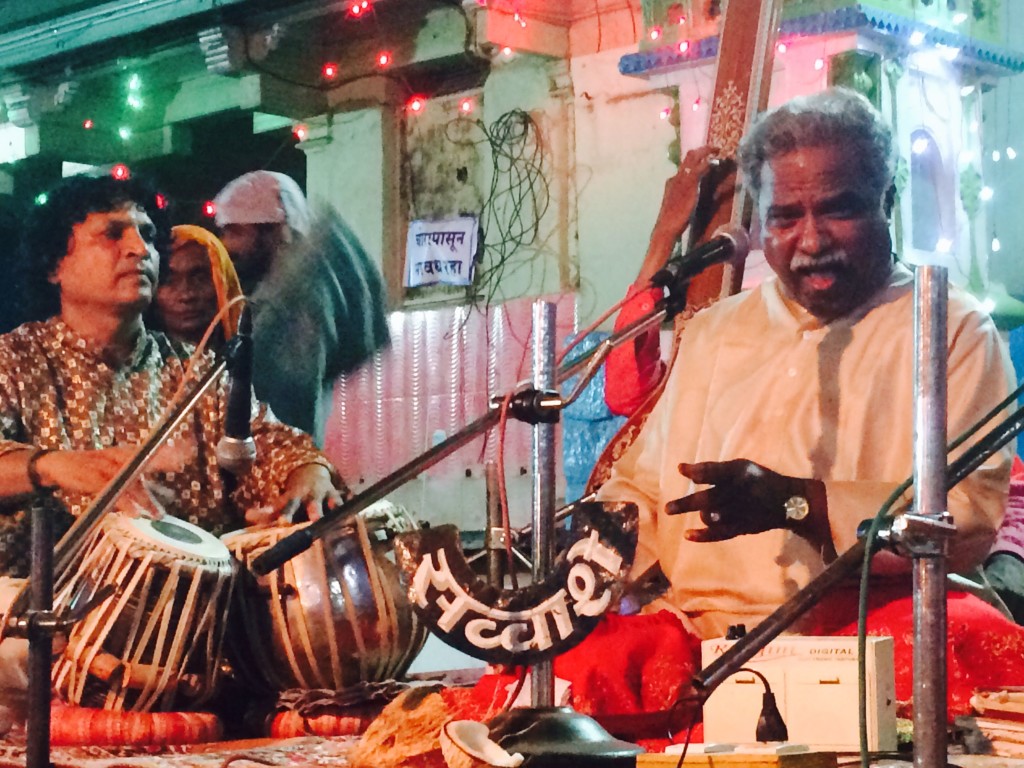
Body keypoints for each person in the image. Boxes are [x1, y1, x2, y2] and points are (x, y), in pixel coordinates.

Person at [596, 88, 1013, 640]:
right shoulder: (714, 332)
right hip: (696, 632)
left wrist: (805, 505)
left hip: (867, 632)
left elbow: (967, 516)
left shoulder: (948, 329)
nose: (811, 240)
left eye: (838, 209)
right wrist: (585, 552)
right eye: (786, 217)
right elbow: (645, 492)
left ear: (885, 202)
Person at [0, 173, 348, 728]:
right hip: (43, 635)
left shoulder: (196, 370)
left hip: (189, 636)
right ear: (54, 266)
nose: (139, 248)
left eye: (145, 234)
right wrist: (55, 467)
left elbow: (271, 444)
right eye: (112, 234)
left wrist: (306, 470)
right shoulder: (15, 363)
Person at [213, 171, 390, 446]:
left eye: (236, 231)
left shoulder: (292, 301)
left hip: (275, 471)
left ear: (277, 229)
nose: (226, 245)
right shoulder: (292, 290)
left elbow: (284, 407)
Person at [151, 224, 243, 349]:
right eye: (169, 280)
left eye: (200, 279)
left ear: (223, 282)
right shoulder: (133, 365)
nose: (186, 295)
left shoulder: (256, 357)